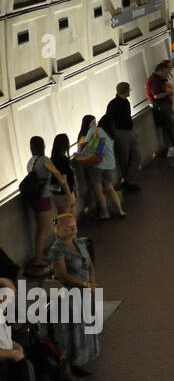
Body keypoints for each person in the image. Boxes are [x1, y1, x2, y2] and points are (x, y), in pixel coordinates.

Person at [48, 214, 99, 381]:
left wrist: (92, 282)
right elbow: (62, 275)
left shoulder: (80, 242)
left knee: (83, 328)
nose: (73, 230)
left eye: (75, 226)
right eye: (69, 227)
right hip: (70, 296)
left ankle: (77, 362)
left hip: (85, 293)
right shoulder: (57, 250)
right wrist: (85, 286)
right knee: (70, 332)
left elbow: (90, 264)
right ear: (58, 229)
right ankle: (67, 370)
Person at [24, 137, 69, 274]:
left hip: (34, 199)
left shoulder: (31, 161)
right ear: (42, 145)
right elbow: (55, 172)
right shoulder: (45, 160)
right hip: (43, 198)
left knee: (40, 228)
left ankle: (39, 255)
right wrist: (64, 183)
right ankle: (38, 259)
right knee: (43, 229)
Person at [76, 115, 125, 220]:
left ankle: (104, 213)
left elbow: (81, 147)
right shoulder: (105, 132)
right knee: (110, 187)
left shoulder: (89, 133)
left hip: (95, 164)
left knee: (98, 190)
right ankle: (120, 210)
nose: (95, 124)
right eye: (93, 122)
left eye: (95, 122)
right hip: (108, 164)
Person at [105, 82, 141, 192]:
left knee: (136, 155)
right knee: (124, 159)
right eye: (128, 90)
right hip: (120, 133)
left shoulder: (126, 102)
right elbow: (109, 120)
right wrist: (114, 133)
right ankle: (129, 182)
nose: (129, 92)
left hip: (128, 132)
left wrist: (132, 130)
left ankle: (129, 179)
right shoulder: (113, 104)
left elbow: (128, 118)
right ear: (125, 91)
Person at [145, 61, 174, 159]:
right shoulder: (153, 80)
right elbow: (156, 95)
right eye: (165, 72)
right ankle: (171, 147)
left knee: (169, 125)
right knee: (167, 126)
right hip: (160, 106)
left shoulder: (161, 79)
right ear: (159, 71)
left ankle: (173, 146)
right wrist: (169, 93)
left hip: (165, 104)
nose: (167, 74)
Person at [48, 134, 77, 218]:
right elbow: (63, 181)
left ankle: (59, 229)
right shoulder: (62, 160)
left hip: (56, 193)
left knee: (62, 218)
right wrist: (70, 195)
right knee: (68, 219)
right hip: (64, 194)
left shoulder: (52, 159)